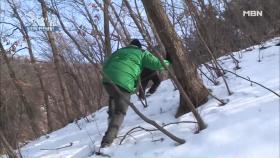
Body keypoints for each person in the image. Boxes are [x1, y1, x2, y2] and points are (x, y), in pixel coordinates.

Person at [101, 39, 170, 147]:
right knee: (120, 112)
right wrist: (168, 61)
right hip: (124, 83)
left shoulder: (119, 51)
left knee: (113, 97)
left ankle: (110, 117)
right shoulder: (142, 52)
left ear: (130, 45)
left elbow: (105, 65)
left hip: (107, 81)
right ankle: (107, 141)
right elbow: (157, 64)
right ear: (139, 46)